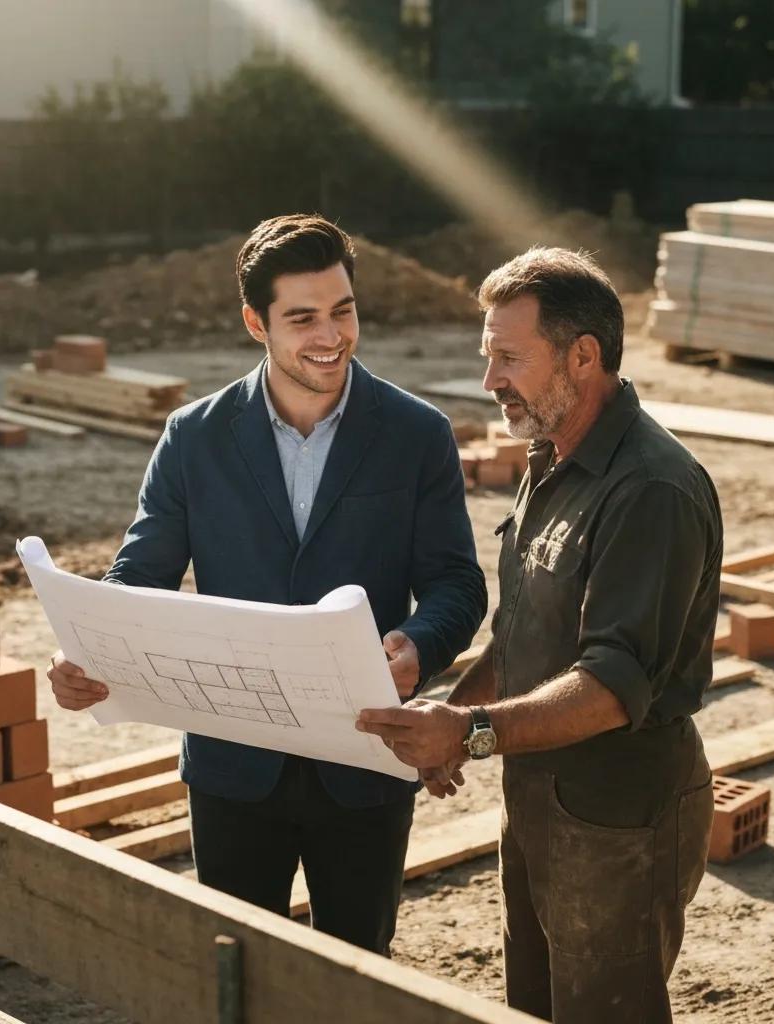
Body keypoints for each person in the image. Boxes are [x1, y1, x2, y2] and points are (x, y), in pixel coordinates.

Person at [47, 213, 487, 956]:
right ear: (257, 322)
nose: (331, 335)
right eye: (303, 318)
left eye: (343, 310)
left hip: (366, 760)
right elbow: (140, 576)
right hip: (232, 764)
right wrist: (84, 653)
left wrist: (419, 644)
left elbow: (457, 583)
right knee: (235, 975)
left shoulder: (417, 434)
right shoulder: (194, 437)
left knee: (359, 976)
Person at [357, 246, 721, 1019]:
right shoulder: (552, 455)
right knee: (531, 1005)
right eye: (488, 357)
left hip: (618, 814)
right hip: (537, 793)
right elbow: (522, 631)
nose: (491, 380)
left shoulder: (651, 490)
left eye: (509, 358)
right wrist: (454, 720)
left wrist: (470, 732)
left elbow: (613, 685)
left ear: (582, 356)